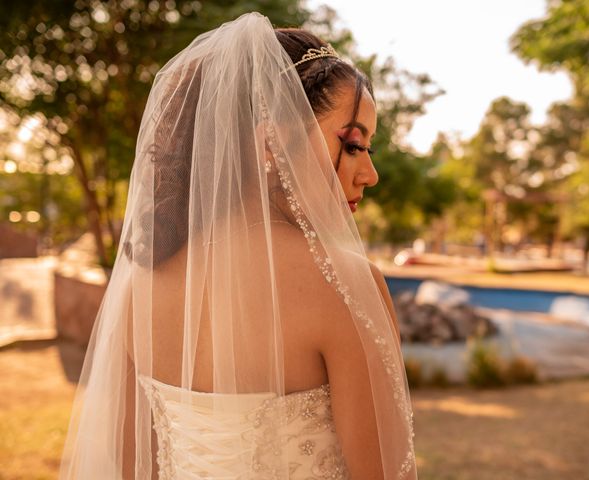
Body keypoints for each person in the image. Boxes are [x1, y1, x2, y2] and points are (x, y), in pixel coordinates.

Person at [60, 12, 417, 480]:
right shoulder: (343, 286)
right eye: (352, 145)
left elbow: (132, 468)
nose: (369, 174)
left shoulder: (139, 289)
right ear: (271, 142)